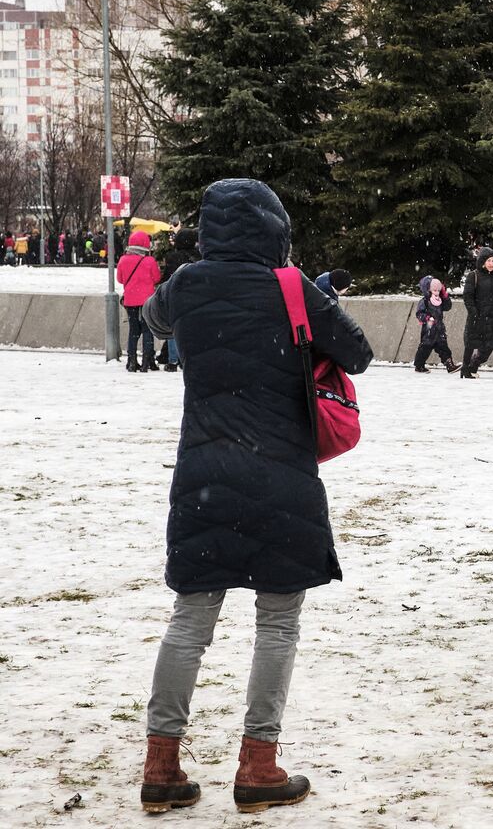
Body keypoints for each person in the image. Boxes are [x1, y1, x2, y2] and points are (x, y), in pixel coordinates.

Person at [137, 178, 373, 814]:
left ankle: (162, 763)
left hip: (204, 474)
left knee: (190, 619)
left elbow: (154, 317)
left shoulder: (187, 282)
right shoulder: (292, 286)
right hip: (280, 475)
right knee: (278, 620)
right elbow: (360, 351)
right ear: (275, 229)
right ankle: (258, 764)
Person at [461, 248, 493, 379]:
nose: (491, 263)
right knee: (471, 344)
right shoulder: (474, 275)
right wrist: (474, 313)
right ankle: (465, 369)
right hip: (478, 316)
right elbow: (468, 296)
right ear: (482, 261)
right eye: (488, 260)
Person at [117, 230, 162, 372]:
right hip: (147, 301)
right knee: (147, 329)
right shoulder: (150, 261)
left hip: (130, 301)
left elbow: (120, 279)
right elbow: (156, 278)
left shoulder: (123, 260)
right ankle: (147, 361)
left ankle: (131, 360)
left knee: (133, 331)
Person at [158, 227, 200, 371]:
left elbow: (167, 278)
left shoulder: (172, 257)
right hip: (195, 297)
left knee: (174, 329)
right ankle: (187, 358)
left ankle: (173, 360)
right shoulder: (200, 256)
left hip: (176, 296)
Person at [413, 275, 459, 373]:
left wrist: (445, 296)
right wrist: (427, 318)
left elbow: (447, 307)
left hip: (439, 328)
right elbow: (419, 313)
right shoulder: (425, 301)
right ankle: (419, 365)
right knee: (425, 348)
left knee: (444, 348)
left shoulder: (440, 300)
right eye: (434, 290)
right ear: (428, 290)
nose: (437, 293)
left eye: (438, 291)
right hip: (429, 330)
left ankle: (449, 365)